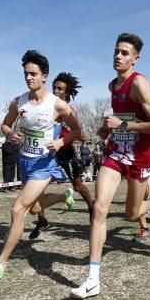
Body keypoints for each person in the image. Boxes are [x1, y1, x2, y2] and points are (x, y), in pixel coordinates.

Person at [70, 33, 150, 298]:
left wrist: (122, 125)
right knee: (100, 209)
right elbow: (117, 120)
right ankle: (93, 279)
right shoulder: (112, 86)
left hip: (141, 157)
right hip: (116, 154)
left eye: (125, 53)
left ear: (135, 59)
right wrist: (105, 130)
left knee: (131, 214)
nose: (118, 56)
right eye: (116, 51)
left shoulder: (140, 84)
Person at [0, 50, 80, 285]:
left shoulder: (59, 105)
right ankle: (64, 196)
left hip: (44, 164)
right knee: (33, 210)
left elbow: (76, 131)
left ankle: (0, 264)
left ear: (45, 76)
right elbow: (4, 124)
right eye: (26, 74)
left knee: (17, 210)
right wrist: (11, 133)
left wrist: (61, 141)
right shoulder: (19, 101)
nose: (29, 78)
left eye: (33, 74)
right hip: (25, 160)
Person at [28, 71, 95, 239]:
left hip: (65, 153)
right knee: (38, 190)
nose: (56, 91)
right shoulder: (46, 106)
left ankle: (92, 208)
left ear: (66, 93)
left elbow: (82, 136)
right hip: (47, 154)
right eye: (54, 88)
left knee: (78, 186)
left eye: (59, 89)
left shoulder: (68, 110)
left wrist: (67, 127)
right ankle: (42, 220)